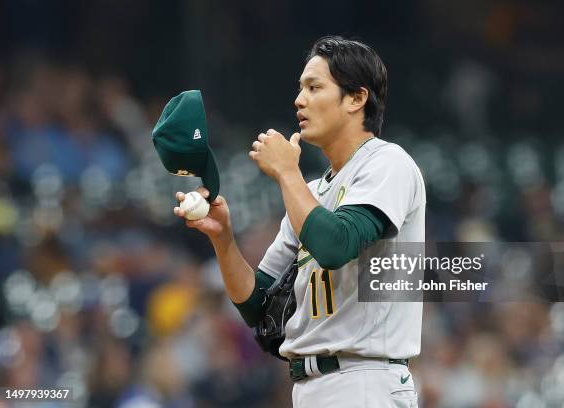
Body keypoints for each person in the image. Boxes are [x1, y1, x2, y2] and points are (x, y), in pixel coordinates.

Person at [174, 36, 426, 408]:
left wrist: (286, 172)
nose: (299, 100)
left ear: (356, 99)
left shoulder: (388, 163)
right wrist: (223, 239)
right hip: (311, 387)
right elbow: (258, 305)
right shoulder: (311, 191)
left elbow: (337, 246)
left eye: (314, 87)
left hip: (366, 380)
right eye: (300, 88)